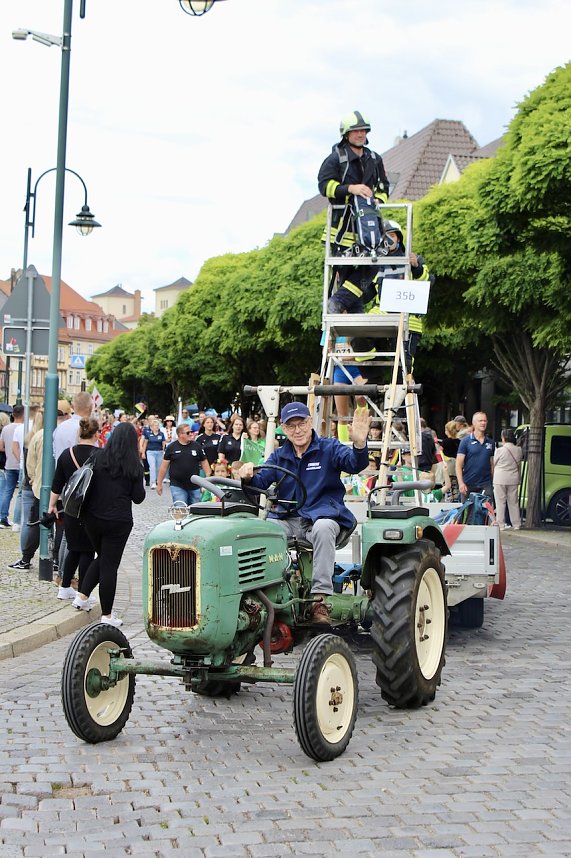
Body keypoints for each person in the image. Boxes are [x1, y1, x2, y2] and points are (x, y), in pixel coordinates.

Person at [238, 402, 370, 625]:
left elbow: (354, 463)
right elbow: (261, 481)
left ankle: (319, 599)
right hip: (287, 519)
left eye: (301, 424)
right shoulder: (280, 456)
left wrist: (359, 444)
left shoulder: (328, 448)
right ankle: (265, 595)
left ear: (310, 422)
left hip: (321, 517)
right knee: (260, 531)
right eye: (291, 426)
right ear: (283, 428)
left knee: (324, 527)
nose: (297, 430)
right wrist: (248, 475)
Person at [71, 422, 146, 627]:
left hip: (92, 519)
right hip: (118, 522)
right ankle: (107, 615)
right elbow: (138, 498)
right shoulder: (134, 465)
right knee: (109, 566)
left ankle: (82, 596)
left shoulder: (97, 457)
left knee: (103, 557)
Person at [318, 110, 389, 314]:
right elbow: (325, 186)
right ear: (346, 134)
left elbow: (384, 185)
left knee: (373, 265)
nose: (361, 134)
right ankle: (351, 317)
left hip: (369, 227)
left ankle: (339, 303)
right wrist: (351, 189)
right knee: (346, 272)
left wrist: (378, 199)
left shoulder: (374, 158)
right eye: (356, 131)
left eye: (363, 131)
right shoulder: (335, 159)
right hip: (343, 229)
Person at [48, 417, 101, 599]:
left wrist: (52, 505)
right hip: (91, 509)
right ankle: (82, 592)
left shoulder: (66, 454)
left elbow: (57, 484)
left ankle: (64, 587)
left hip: (70, 507)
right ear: (96, 434)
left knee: (73, 547)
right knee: (87, 550)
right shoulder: (100, 456)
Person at [157, 422, 211, 506]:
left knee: (195, 510)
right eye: (188, 433)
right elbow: (164, 467)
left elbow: (205, 464)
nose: (191, 434)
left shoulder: (197, 446)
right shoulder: (171, 447)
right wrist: (159, 483)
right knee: (181, 509)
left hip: (195, 485)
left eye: (191, 432)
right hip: (177, 485)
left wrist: (207, 482)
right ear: (180, 434)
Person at [456, 412, 495, 502]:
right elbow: (458, 465)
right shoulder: (465, 441)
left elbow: (492, 463)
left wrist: (493, 482)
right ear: (474, 423)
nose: (483, 423)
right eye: (480, 421)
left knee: (485, 513)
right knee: (467, 514)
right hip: (468, 483)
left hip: (486, 484)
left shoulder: (490, 442)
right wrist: (461, 483)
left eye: (485, 421)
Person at [0, 405, 25, 528]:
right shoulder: (24, 429)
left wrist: (8, 451)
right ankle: (17, 520)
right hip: (21, 465)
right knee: (20, 493)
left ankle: (2, 517)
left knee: (7, 492)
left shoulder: (6, 429)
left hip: (9, 464)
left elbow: (1, 447)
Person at [493, 429, 523, 530]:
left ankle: (501, 524)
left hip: (500, 478)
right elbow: (519, 464)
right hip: (513, 479)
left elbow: (494, 463)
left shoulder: (499, 450)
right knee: (513, 502)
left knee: (500, 502)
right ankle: (516, 524)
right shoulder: (519, 450)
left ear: (503, 438)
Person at [53, 392, 92, 462]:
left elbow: (54, 452)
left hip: (60, 470)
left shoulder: (60, 428)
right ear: (90, 407)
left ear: (73, 406)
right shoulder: (87, 429)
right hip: (80, 471)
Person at [140, 417, 166, 489]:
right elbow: (145, 443)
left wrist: (164, 451)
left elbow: (163, 443)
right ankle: (153, 482)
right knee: (152, 467)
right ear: (152, 427)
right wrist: (143, 453)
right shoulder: (148, 434)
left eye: (157, 425)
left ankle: (158, 480)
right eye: (155, 425)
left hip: (159, 452)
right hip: (150, 452)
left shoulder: (161, 434)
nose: (156, 427)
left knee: (158, 467)